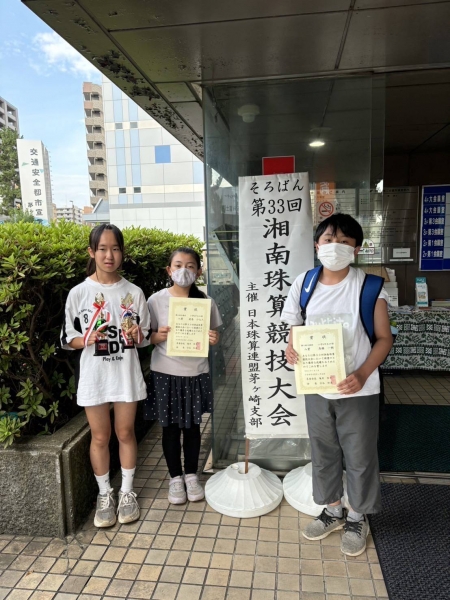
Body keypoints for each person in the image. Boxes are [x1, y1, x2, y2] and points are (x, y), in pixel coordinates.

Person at [281, 213, 393, 557]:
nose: (335, 246)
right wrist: (290, 348)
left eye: (345, 241)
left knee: (360, 455)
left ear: (356, 249)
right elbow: (295, 327)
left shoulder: (369, 287)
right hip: (317, 387)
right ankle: (332, 510)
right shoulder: (304, 283)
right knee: (324, 451)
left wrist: (362, 373)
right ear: (317, 245)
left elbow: (384, 339)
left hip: (358, 389)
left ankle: (357, 517)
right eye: (329, 240)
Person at [61, 224, 150, 528]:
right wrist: (85, 339)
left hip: (125, 373)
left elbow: (144, 336)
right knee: (100, 436)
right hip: (95, 375)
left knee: (125, 432)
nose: (109, 255)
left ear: (122, 253)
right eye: (102, 249)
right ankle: (104, 494)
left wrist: (138, 334)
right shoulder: (79, 293)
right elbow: (67, 338)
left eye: (115, 249)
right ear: (92, 252)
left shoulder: (134, 293)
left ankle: (127, 492)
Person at [144, 247, 222, 504]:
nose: (183, 271)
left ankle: (191, 475)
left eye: (190, 266)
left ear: (198, 271)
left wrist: (213, 338)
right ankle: (175, 478)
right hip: (165, 372)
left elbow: (214, 334)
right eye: (178, 265)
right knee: (169, 428)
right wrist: (157, 336)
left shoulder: (206, 301)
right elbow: (145, 338)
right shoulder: (155, 300)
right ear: (169, 270)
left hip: (195, 372)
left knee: (192, 428)